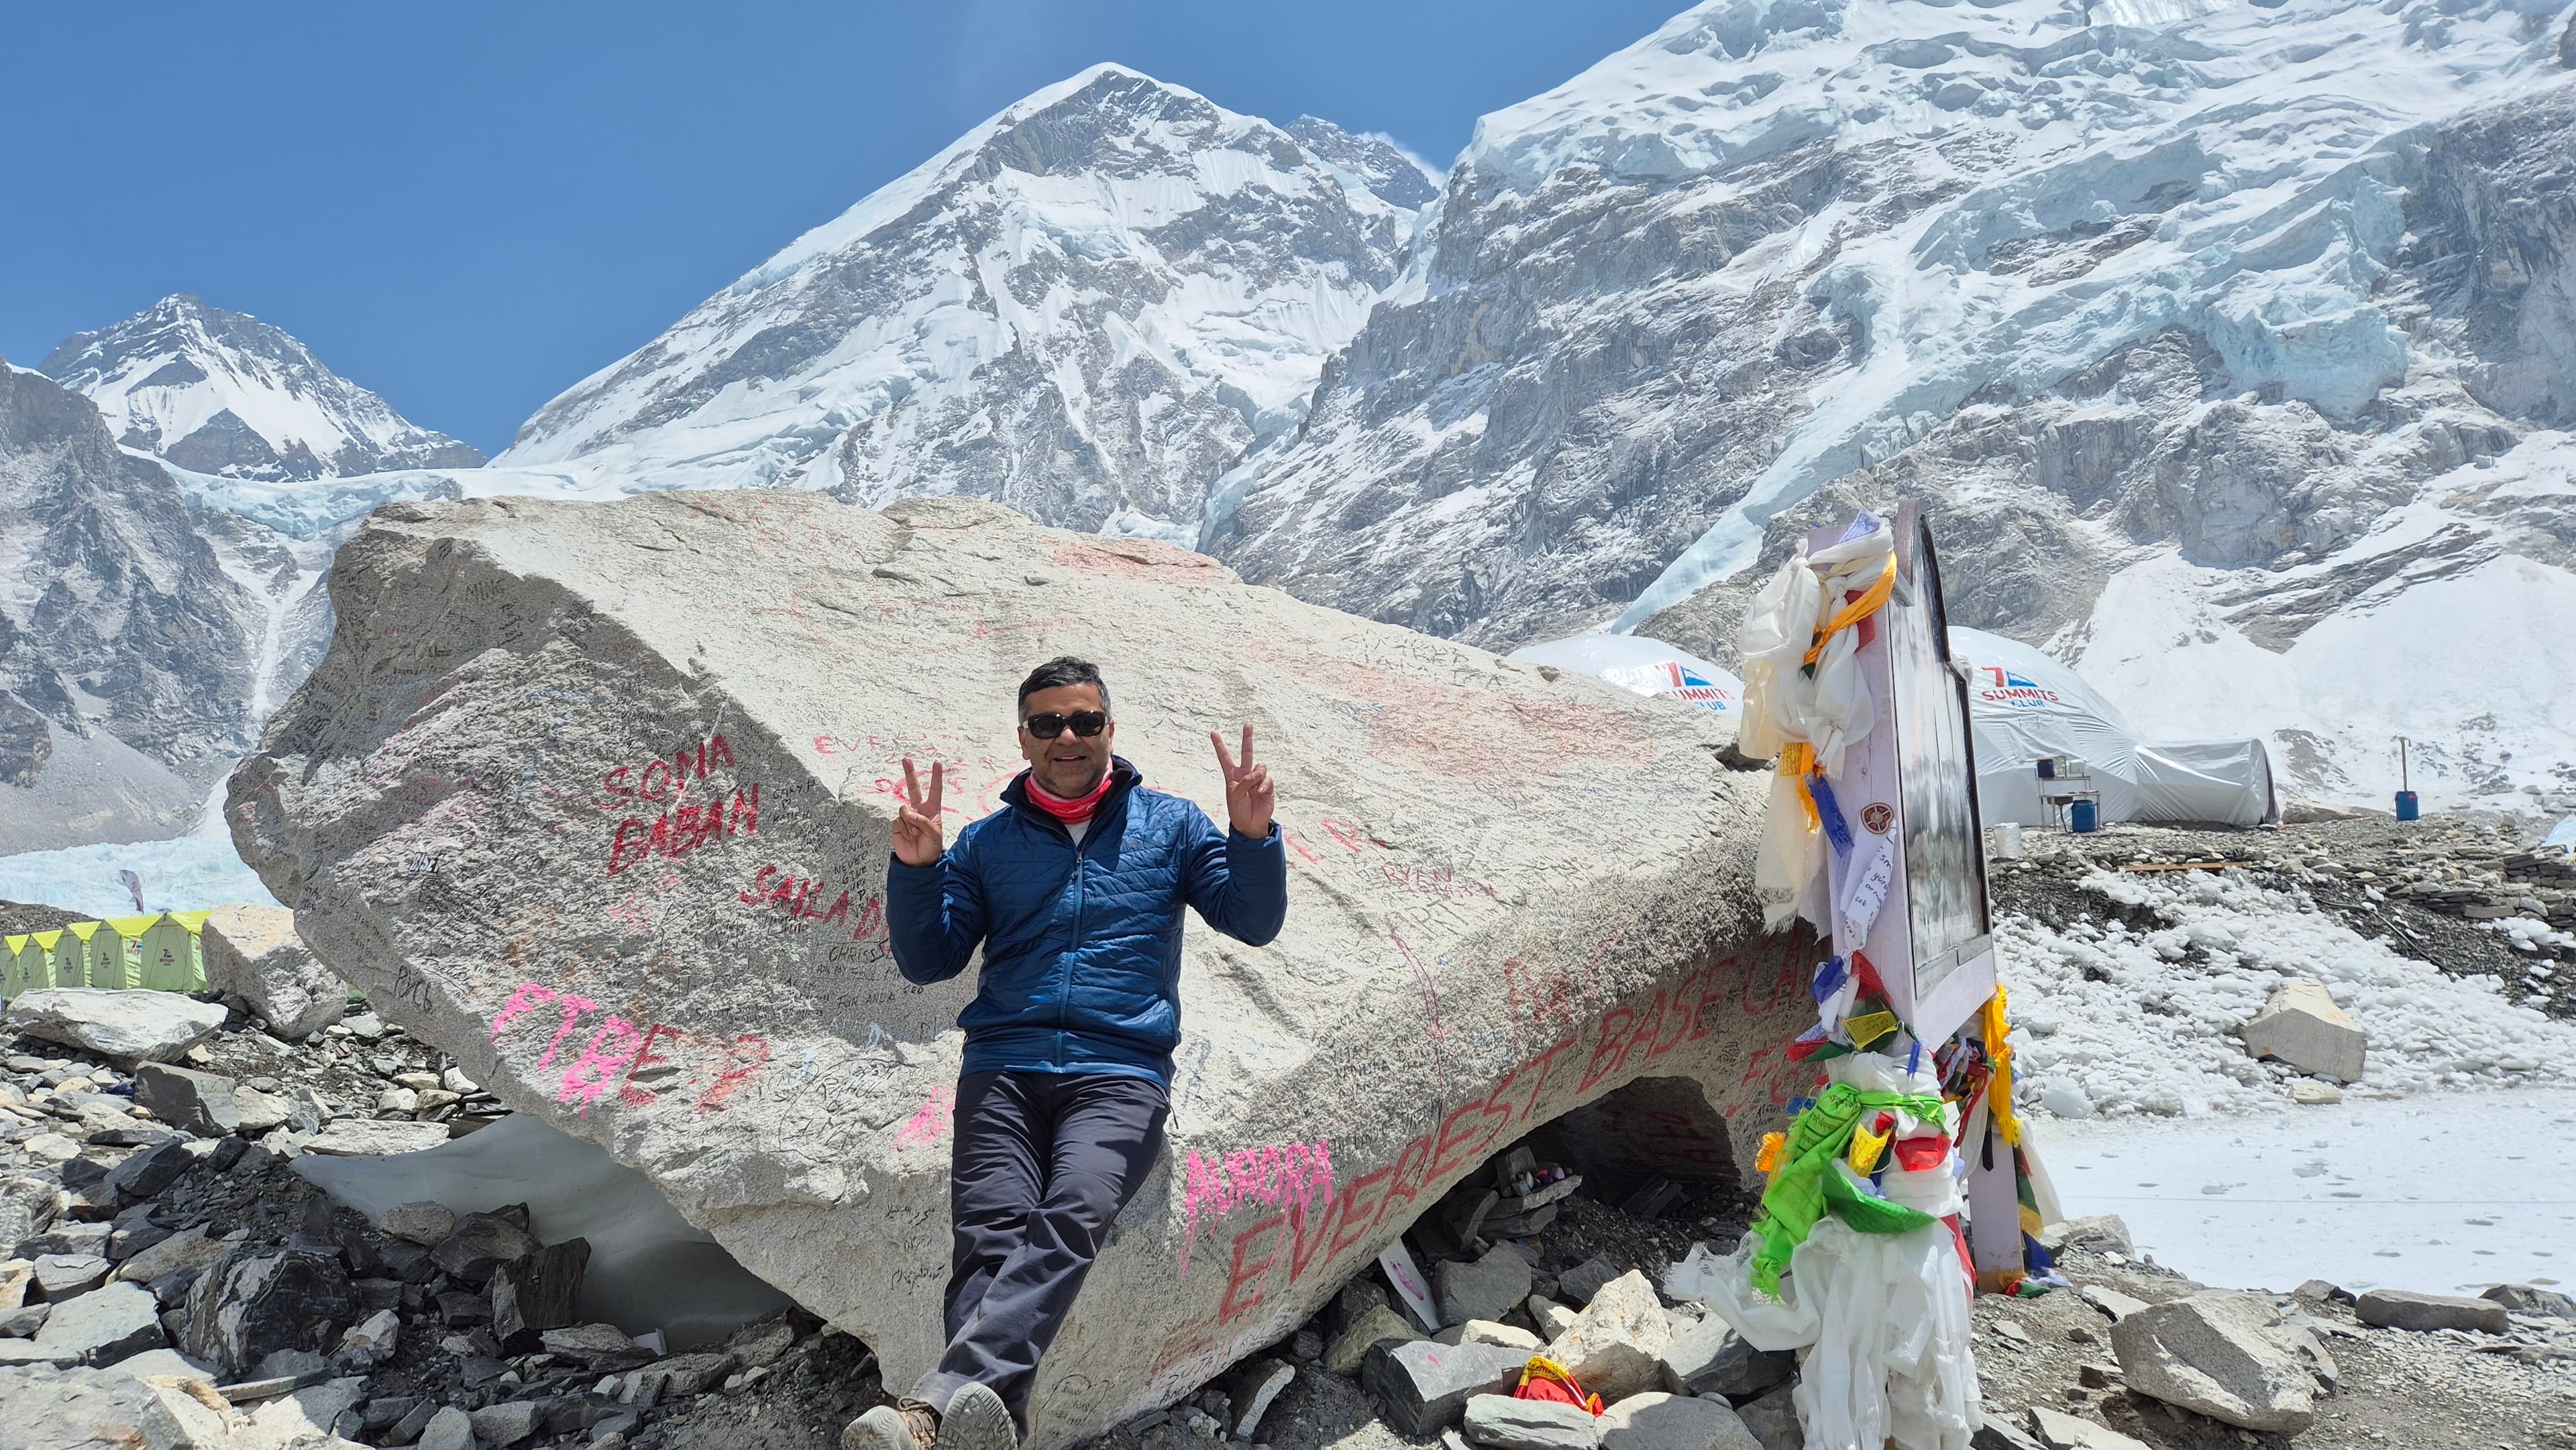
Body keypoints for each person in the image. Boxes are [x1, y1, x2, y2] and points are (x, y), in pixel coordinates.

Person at [845, 656, 1287, 1450]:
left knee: (1074, 1210)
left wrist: (1251, 836)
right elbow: (930, 960)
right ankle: (979, 1428)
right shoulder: (985, 843)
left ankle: (933, 1407)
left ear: (1111, 729)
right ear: (1024, 738)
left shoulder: (1173, 824)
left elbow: (1251, 921)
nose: (1068, 736)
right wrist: (916, 873)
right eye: (1048, 723)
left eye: (1085, 720)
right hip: (1003, 1068)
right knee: (987, 1240)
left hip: (1120, 1071)